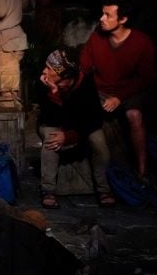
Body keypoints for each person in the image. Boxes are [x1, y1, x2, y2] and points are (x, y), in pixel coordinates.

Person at [80, 0, 155, 181]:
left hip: (129, 90)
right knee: (85, 109)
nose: (101, 19)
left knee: (134, 115)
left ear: (123, 19)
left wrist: (119, 97)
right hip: (102, 89)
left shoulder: (141, 42)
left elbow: (145, 78)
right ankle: (94, 169)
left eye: (108, 15)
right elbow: (83, 67)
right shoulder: (97, 37)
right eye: (102, 14)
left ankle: (142, 171)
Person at [37, 48, 116, 209]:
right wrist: (53, 93)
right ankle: (48, 190)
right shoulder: (43, 82)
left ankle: (104, 189)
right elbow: (48, 119)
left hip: (79, 127)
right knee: (52, 139)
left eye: (49, 68)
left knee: (99, 142)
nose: (44, 71)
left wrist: (69, 136)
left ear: (65, 76)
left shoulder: (86, 83)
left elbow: (94, 120)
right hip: (53, 123)